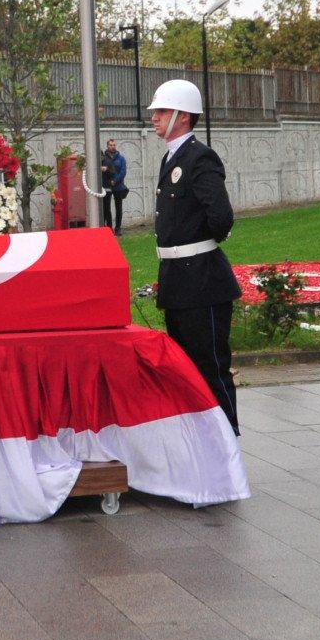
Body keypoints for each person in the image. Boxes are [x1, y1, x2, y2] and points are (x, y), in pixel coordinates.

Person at [149, 79, 242, 435]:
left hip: (202, 280)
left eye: (161, 111)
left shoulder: (199, 157)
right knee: (186, 369)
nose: (155, 118)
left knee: (210, 367)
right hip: (178, 278)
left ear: (183, 117)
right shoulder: (172, 157)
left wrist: (198, 246)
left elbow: (221, 216)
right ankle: (203, 447)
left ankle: (226, 442)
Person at [101, 139, 129, 235]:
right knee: (106, 207)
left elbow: (123, 171)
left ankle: (118, 227)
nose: (112, 146)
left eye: (114, 145)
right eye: (110, 145)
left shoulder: (121, 158)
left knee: (118, 207)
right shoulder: (103, 158)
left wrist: (115, 180)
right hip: (106, 185)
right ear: (107, 146)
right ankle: (108, 228)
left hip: (118, 185)